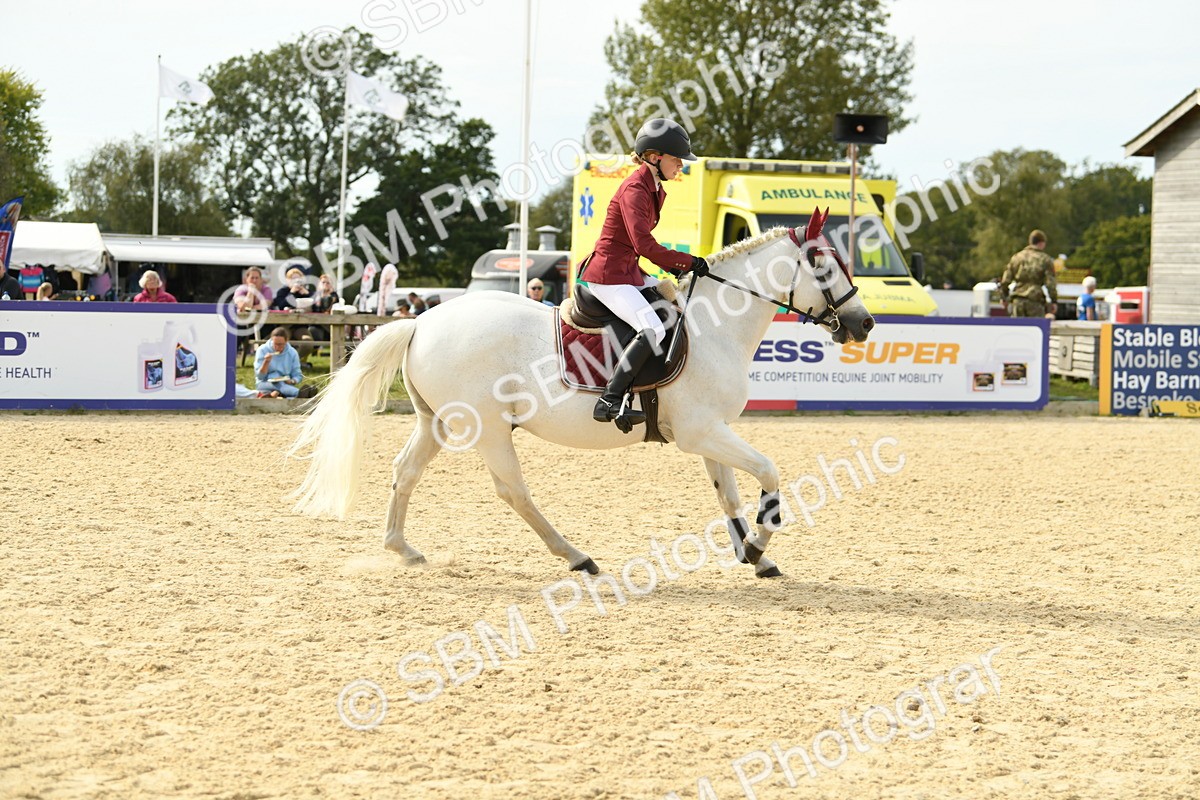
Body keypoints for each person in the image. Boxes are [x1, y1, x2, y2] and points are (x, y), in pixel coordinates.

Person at [581, 117, 708, 429]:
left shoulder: (653, 188)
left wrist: (675, 269)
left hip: (628, 271)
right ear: (654, 157)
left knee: (675, 302)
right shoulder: (635, 189)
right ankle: (610, 398)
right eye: (677, 159)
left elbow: (641, 248)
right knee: (652, 328)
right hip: (608, 275)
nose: (681, 165)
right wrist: (686, 262)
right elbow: (644, 244)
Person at [998, 229, 1057, 318]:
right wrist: (1053, 301)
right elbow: (1050, 283)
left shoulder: (1016, 257)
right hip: (1035, 300)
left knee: (1018, 326)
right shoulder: (1045, 259)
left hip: (1018, 300)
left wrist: (1004, 297)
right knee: (1035, 326)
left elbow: (1006, 280)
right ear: (1042, 243)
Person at [253, 327, 304, 398]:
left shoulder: (292, 352)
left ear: (286, 341)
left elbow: (298, 375)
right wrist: (266, 362)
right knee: (279, 384)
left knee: (284, 389)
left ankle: (284, 395)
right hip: (264, 383)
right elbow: (260, 377)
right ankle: (299, 393)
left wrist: (292, 381)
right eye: (275, 344)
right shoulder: (262, 350)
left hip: (285, 384)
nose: (277, 347)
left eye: (280, 344)